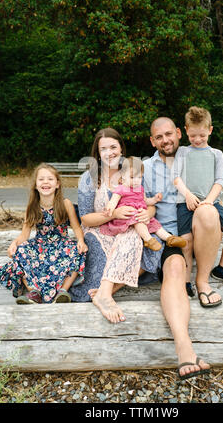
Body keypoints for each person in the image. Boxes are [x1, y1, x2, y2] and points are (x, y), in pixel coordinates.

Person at [143, 116, 223, 379]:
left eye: (169, 134)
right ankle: (184, 348)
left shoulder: (197, 156)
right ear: (152, 140)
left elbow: (216, 185)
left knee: (209, 212)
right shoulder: (145, 169)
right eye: (159, 137)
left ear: (179, 133)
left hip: (197, 230)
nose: (165, 140)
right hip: (169, 239)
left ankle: (202, 282)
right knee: (176, 268)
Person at [70, 128, 163, 324]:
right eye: (104, 149)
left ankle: (105, 293)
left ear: (121, 148)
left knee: (147, 244)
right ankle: (104, 292)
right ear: (98, 152)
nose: (109, 152)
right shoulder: (89, 178)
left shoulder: (132, 170)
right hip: (99, 230)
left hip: (131, 228)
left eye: (113, 147)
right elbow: (86, 219)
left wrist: (147, 213)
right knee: (118, 251)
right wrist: (114, 214)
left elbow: (148, 204)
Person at [172, 106, 223, 296]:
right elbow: (175, 178)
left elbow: (219, 181)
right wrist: (187, 194)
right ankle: (186, 281)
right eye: (193, 135)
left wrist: (209, 201)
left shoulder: (216, 154)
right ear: (186, 130)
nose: (197, 140)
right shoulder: (182, 152)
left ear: (210, 130)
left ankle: (222, 269)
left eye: (202, 135)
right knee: (186, 243)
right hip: (186, 203)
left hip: (211, 202)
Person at [0, 163, 87, 304]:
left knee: (78, 251)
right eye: (41, 179)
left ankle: (63, 291)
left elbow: (76, 228)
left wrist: (81, 240)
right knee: (21, 250)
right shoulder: (32, 206)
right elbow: (24, 235)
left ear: (57, 184)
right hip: (39, 246)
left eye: (50, 179)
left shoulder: (65, 203)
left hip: (61, 245)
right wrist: (14, 244)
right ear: (36, 185)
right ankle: (34, 292)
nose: (45, 182)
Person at [100, 156, 187, 251]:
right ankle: (148, 239)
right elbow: (113, 201)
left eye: (140, 177)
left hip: (141, 213)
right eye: (132, 177)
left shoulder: (140, 188)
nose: (137, 180)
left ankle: (169, 238)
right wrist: (109, 208)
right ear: (123, 176)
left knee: (155, 224)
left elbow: (145, 201)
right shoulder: (121, 188)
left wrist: (154, 199)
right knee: (139, 221)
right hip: (128, 215)